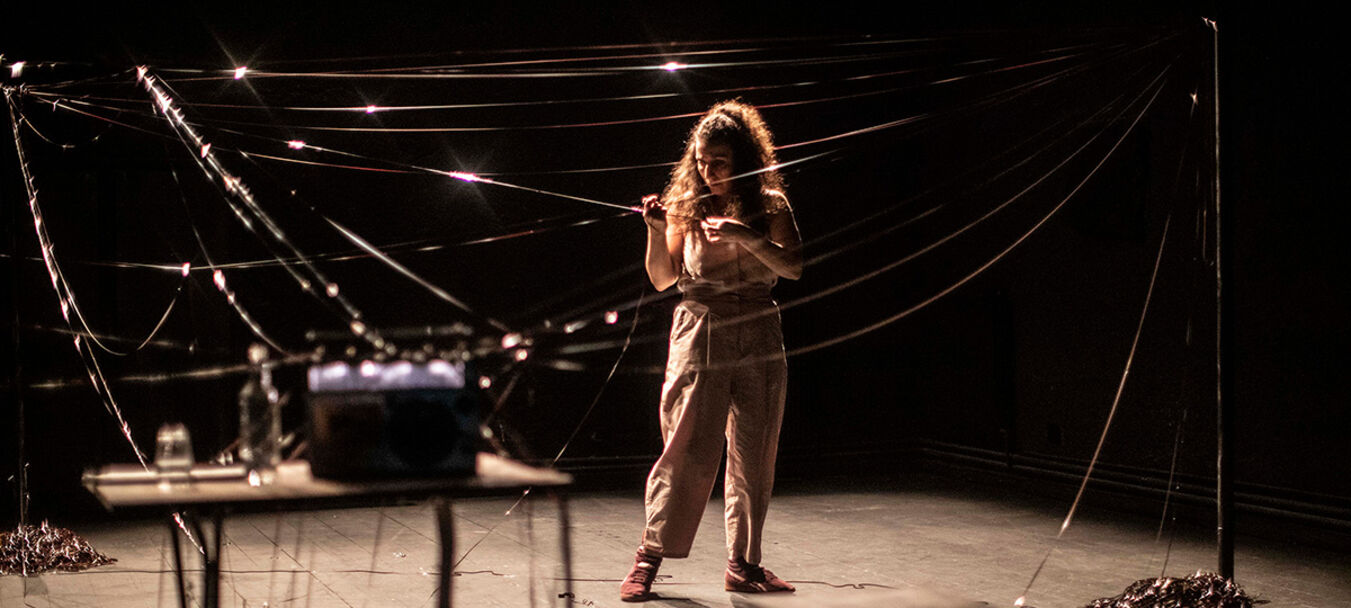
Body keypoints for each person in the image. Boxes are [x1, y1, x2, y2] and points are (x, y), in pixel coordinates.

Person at [620, 100, 803, 602]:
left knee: (755, 451)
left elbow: (793, 267)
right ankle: (648, 559)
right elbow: (663, 278)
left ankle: (744, 565)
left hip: (759, 328)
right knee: (687, 446)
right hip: (702, 327)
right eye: (701, 161)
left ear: (743, 159)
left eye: (719, 161)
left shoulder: (770, 203)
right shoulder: (687, 204)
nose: (708, 171)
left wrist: (745, 235)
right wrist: (656, 231)